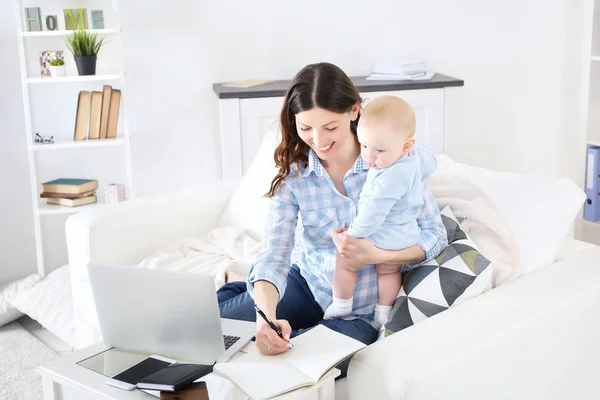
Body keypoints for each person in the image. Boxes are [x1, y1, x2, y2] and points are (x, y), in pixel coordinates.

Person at [217, 62, 447, 376]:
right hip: (306, 284)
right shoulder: (294, 176)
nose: (318, 139)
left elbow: (435, 235)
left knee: (306, 365)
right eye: (305, 128)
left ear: (354, 111)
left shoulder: (397, 164)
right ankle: (245, 290)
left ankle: (249, 294)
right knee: (212, 333)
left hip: (359, 315)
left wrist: (381, 256)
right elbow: (275, 253)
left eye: (330, 127)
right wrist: (264, 319)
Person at [323, 95, 439, 329]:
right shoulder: (413, 158)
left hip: (382, 236)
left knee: (345, 261)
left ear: (406, 145)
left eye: (379, 150)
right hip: (406, 234)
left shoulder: (390, 178)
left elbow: (373, 213)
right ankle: (383, 313)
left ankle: (341, 304)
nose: (369, 157)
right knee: (388, 273)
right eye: (364, 146)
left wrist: (352, 235)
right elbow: (431, 162)